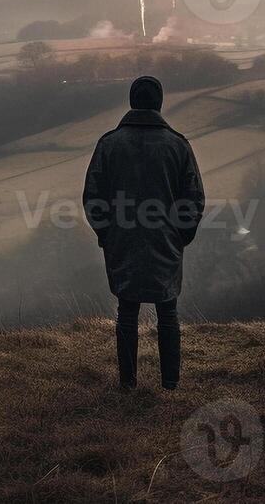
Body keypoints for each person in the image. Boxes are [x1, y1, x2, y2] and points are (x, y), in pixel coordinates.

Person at [83, 75, 205, 391]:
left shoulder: (109, 144)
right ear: (159, 103)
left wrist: (107, 233)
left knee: (127, 310)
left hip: (122, 238)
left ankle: (127, 383)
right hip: (166, 238)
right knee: (168, 311)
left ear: (132, 102)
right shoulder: (178, 145)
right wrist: (181, 236)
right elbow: (193, 198)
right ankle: (171, 383)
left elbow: (93, 195)